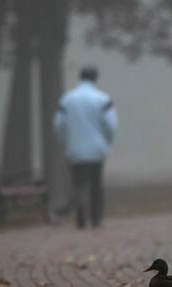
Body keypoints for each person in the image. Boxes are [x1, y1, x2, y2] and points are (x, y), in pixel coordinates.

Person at [53, 65, 118, 229]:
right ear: (96, 78)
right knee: (96, 184)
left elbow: (59, 124)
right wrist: (106, 141)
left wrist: (66, 141)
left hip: (75, 149)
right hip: (97, 149)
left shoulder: (67, 99)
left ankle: (80, 212)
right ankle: (96, 219)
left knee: (79, 183)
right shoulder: (103, 99)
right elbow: (111, 125)